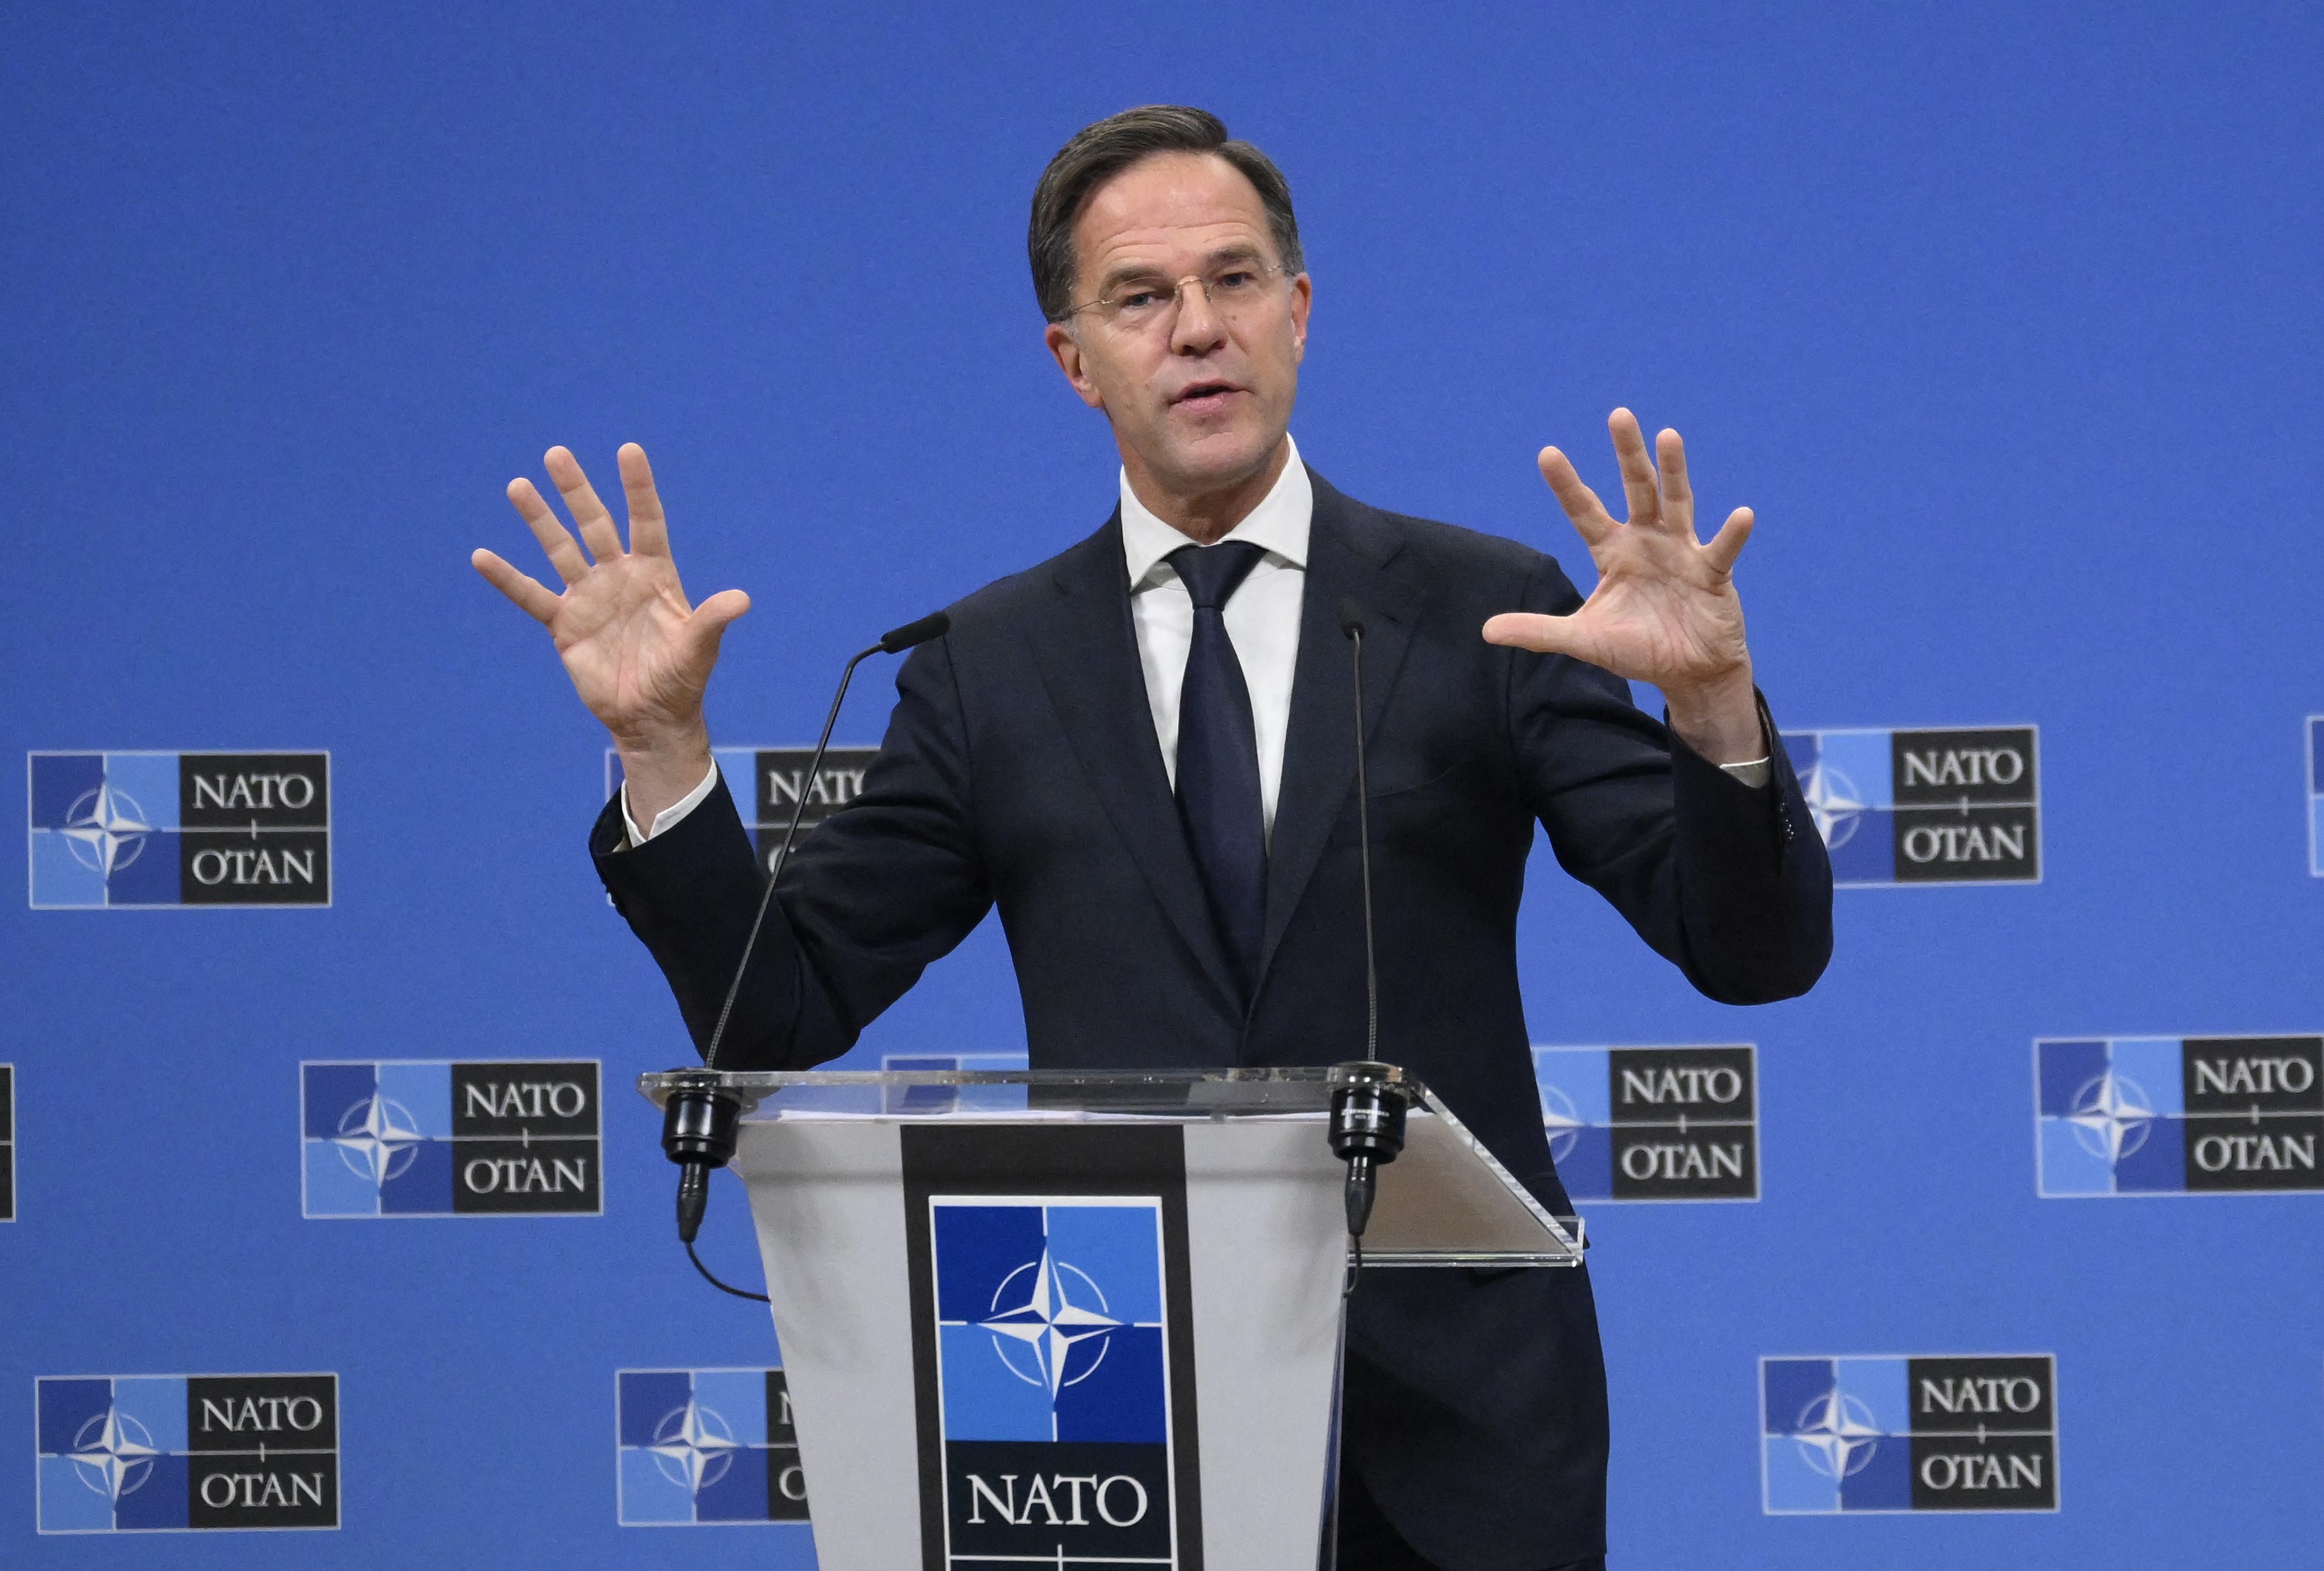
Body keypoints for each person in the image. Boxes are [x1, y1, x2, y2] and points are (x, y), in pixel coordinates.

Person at [472, 105, 1831, 1571]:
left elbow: (1748, 953)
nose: (1198, 328)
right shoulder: (992, 667)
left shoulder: (1478, 604)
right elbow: (776, 1010)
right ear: (1073, 359)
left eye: (1235, 280)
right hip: (1109, 1416)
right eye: (1140, 297)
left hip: (1463, 1432)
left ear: (1298, 314)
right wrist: (663, 754)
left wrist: (1711, 707)